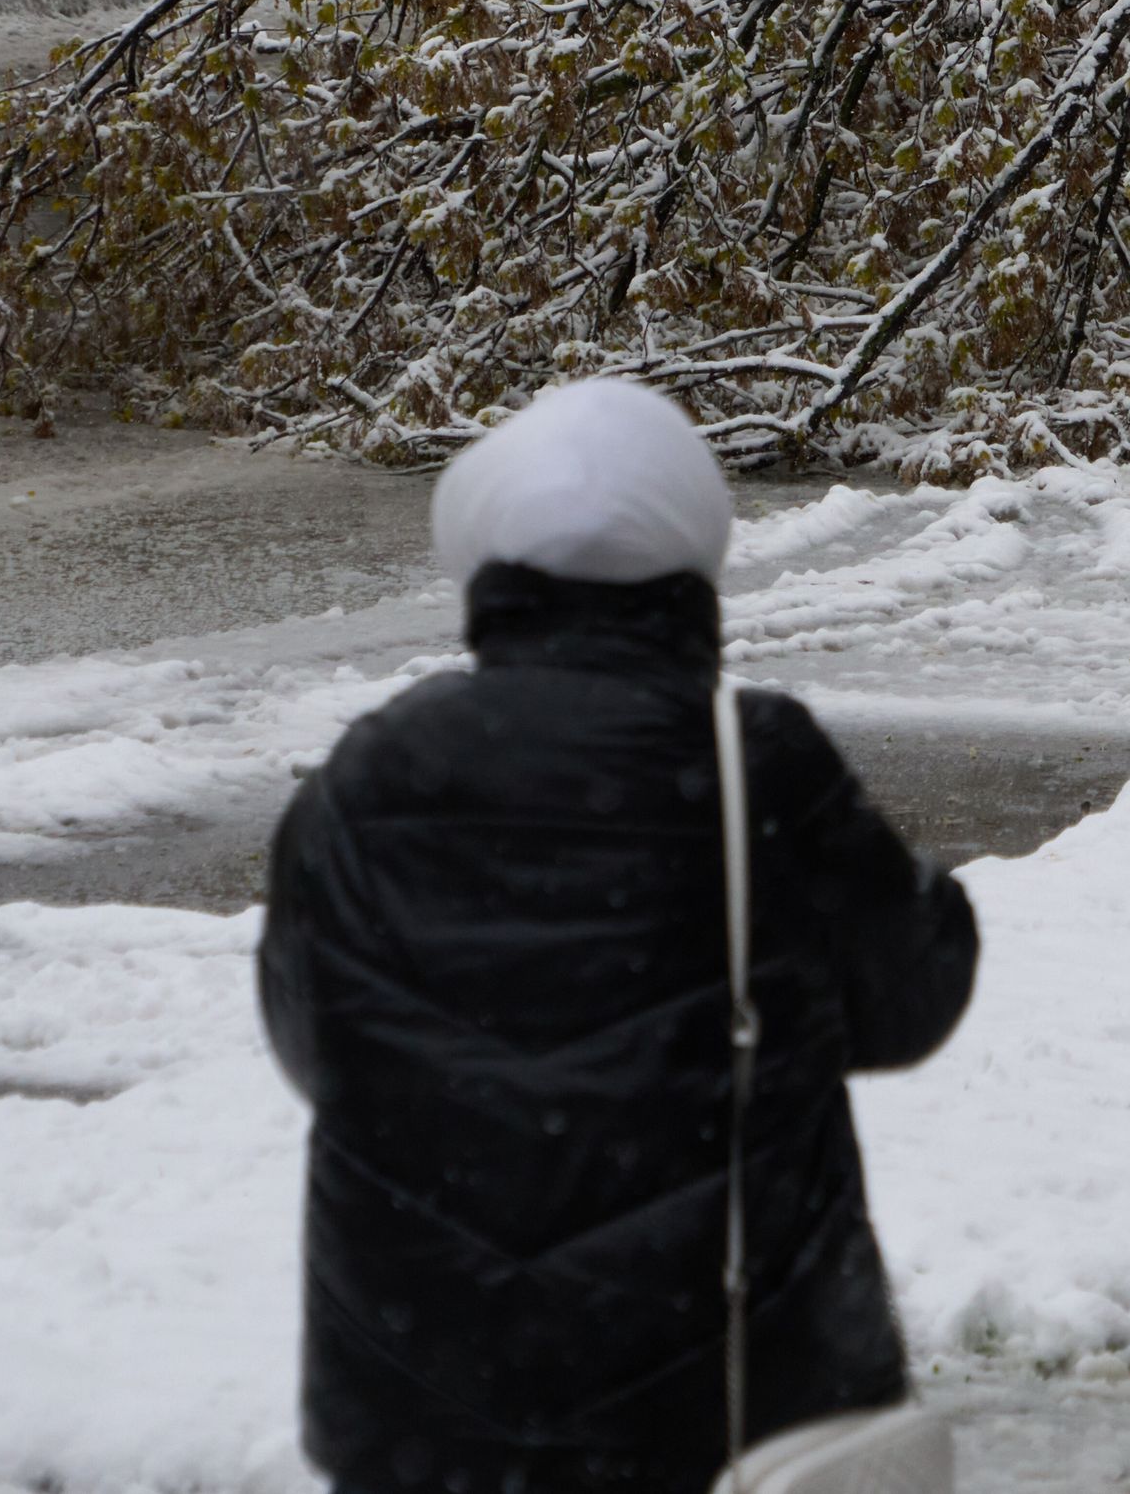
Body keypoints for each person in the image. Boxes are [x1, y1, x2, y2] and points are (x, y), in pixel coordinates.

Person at [258, 378, 979, 1494]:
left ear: (488, 573)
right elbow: (911, 995)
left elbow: (316, 1044)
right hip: (724, 1393)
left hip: (428, 1394)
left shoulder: (367, 775)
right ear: (691, 570)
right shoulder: (756, 764)